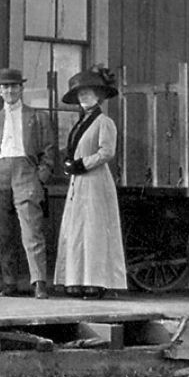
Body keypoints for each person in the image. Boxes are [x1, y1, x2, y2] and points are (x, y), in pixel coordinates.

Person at [0, 67, 58, 299]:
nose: (10, 90)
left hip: (26, 172)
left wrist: (40, 175)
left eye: (14, 86)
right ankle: (9, 281)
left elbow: (49, 151)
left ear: (21, 89)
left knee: (32, 229)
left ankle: (39, 281)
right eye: (5, 87)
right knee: (2, 232)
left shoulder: (38, 117)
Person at [53, 65, 127, 299]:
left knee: (94, 231)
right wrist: (69, 164)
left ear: (99, 95)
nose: (84, 97)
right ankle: (76, 281)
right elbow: (75, 149)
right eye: (80, 94)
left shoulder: (104, 122)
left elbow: (107, 152)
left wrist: (81, 164)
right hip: (79, 184)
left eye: (89, 93)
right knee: (78, 230)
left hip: (95, 182)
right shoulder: (80, 122)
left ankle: (95, 282)